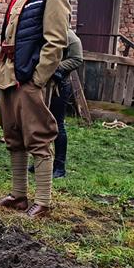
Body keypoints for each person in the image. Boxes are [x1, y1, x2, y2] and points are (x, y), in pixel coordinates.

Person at [0, 0, 71, 218]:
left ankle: (44, 201)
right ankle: (18, 195)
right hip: (9, 74)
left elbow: (56, 42)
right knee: (12, 134)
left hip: (30, 77)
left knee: (38, 136)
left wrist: (38, 79)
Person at [50, 29, 83, 178]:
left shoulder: (70, 37)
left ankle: (59, 167)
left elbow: (77, 59)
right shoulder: (48, 32)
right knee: (42, 124)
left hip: (60, 86)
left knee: (57, 125)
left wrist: (56, 67)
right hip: (44, 85)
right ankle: (44, 161)